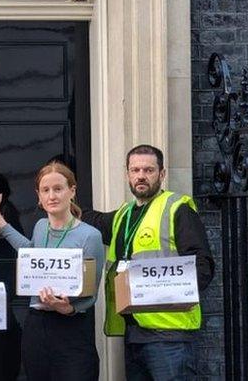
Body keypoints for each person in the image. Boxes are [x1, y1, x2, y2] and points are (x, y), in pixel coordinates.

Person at [80, 144, 215, 381]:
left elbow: (203, 269)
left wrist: (160, 291)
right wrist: (63, 199)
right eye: (135, 170)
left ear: (161, 174)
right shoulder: (125, 214)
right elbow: (96, 220)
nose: (141, 176)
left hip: (170, 336)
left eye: (148, 170)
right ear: (127, 175)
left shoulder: (177, 209)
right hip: (134, 334)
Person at [0, 161, 104, 381]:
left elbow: (91, 295)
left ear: (72, 191)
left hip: (71, 328)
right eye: (45, 190)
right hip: (37, 325)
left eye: (58, 189)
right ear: (38, 195)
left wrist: (67, 308)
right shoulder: (40, 226)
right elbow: (30, 253)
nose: (52, 196)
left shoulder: (90, 235)